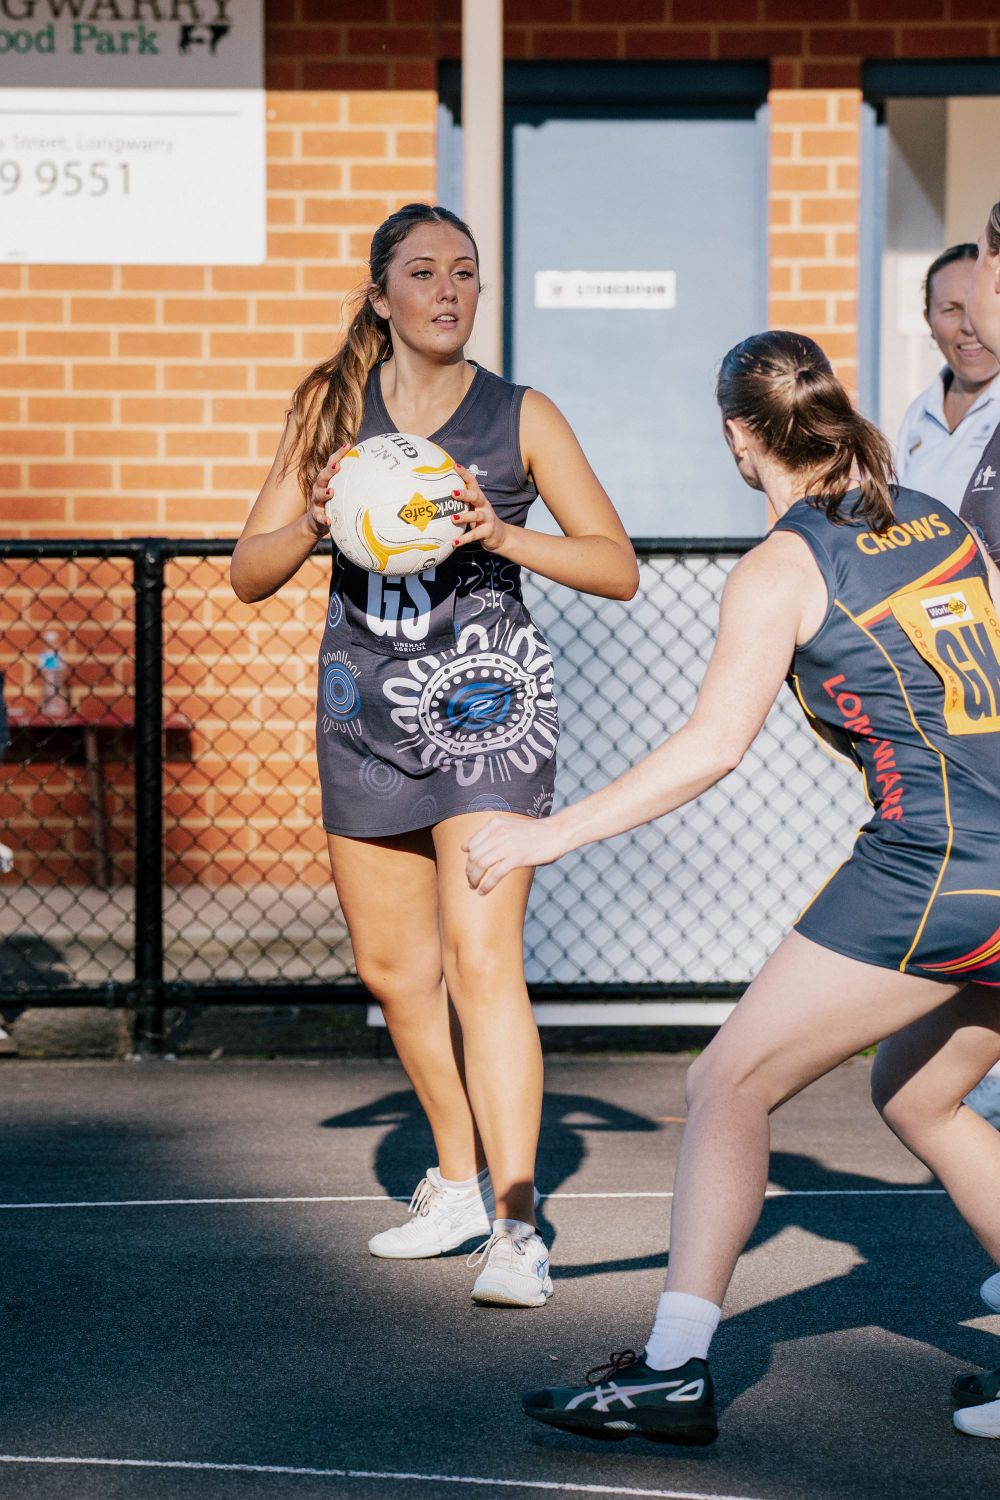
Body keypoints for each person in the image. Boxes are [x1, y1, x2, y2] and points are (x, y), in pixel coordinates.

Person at [464, 328, 1000, 1443]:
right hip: (989, 854)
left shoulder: (783, 567)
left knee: (726, 1086)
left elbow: (712, 749)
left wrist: (546, 835)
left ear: (737, 437)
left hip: (939, 864)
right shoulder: (941, 524)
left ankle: (668, 1371)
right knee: (919, 1097)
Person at [230, 203, 638, 1309]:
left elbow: (615, 565)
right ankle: (455, 1179)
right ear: (381, 296)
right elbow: (247, 571)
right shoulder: (329, 409)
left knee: (480, 960)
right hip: (364, 707)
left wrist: (501, 533)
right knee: (396, 974)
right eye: (422, 273)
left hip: (485, 707)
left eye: (464, 273)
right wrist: (316, 521)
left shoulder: (520, 416)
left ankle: (516, 1223)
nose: (448, 291)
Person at [896, 243, 1000, 509]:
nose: (968, 326)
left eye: (979, 307)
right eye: (951, 310)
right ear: (928, 321)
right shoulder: (918, 414)